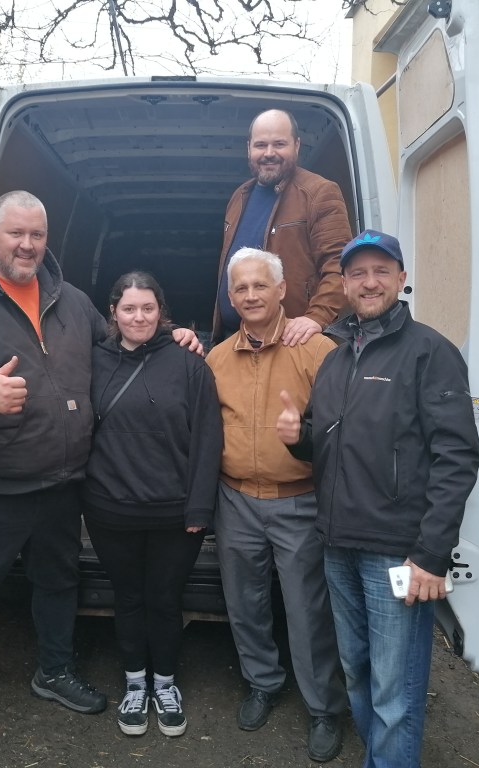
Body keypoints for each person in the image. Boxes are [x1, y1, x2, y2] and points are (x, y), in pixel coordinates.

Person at [0, 191, 200, 768]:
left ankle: (53, 671)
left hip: (59, 484)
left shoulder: (71, 301)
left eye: (37, 235)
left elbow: (124, 344)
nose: (27, 245)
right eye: (16, 234)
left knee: (58, 581)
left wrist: (173, 336)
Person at [277, 230, 479, 768]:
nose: (369, 282)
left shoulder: (429, 352)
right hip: (337, 544)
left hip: (396, 552)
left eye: (381, 271)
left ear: (401, 278)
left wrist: (432, 555)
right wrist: (299, 437)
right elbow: (328, 443)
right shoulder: (336, 358)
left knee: (396, 689)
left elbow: (457, 457)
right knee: (358, 671)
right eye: (358, 273)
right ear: (344, 285)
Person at [205, 248, 347, 763]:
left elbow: (344, 429)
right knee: (244, 602)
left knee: (307, 609)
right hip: (235, 499)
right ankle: (262, 682)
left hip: (298, 501)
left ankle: (324, 707)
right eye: (240, 288)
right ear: (230, 295)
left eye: (260, 285)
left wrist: (303, 432)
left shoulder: (317, 350)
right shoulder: (217, 358)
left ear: (282, 289)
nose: (250, 296)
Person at [83, 271, 223, 738]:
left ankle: (165, 684)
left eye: (148, 308)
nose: (138, 317)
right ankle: (134, 684)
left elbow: (208, 439)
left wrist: (199, 509)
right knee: (127, 598)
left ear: (162, 312)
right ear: (113, 312)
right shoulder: (92, 361)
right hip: (109, 511)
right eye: (129, 308)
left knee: (164, 599)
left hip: (173, 513)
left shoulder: (190, 364)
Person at [213, 109, 353, 346]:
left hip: (290, 343)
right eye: (260, 145)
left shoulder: (319, 192)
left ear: (296, 145)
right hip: (235, 338)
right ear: (249, 148)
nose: (269, 153)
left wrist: (317, 317)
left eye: (279, 144)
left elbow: (340, 265)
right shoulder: (239, 196)